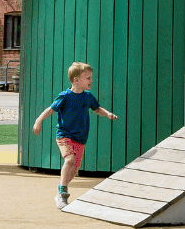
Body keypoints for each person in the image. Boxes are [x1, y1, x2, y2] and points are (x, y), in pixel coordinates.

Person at [32, 61, 120, 210]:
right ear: (76, 80)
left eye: (91, 77)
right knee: (70, 160)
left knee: (74, 169)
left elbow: (97, 108)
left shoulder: (88, 97)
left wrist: (107, 114)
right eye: (88, 78)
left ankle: (61, 185)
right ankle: (63, 193)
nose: (91, 80)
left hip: (81, 138)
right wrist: (38, 120)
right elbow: (50, 109)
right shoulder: (65, 96)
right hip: (64, 135)